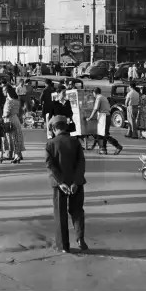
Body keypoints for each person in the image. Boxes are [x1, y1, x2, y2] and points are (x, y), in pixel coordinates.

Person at [45, 115, 88, 253]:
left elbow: (50, 165)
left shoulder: (50, 144)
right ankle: (80, 238)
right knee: (77, 211)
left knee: (60, 213)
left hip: (59, 185)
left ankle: (63, 246)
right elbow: (81, 163)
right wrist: (75, 181)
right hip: (76, 183)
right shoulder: (75, 142)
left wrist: (61, 182)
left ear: (55, 128)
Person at [87, 88, 122, 155]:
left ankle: (118, 146)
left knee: (104, 134)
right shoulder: (104, 97)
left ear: (94, 93)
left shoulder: (98, 98)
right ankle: (103, 149)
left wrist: (90, 117)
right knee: (101, 134)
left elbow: (95, 109)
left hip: (104, 117)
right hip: (107, 116)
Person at [3, 86, 26, 163]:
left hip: (9, 120)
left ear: (7, 92)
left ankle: (12, 155)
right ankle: (17, 155)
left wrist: (1, 117)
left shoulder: (9, 101)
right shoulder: (17, 101)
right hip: (16, 119)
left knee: (11, 138)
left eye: (4, 90)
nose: (3, 92)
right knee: (17, 137)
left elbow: (6, 113)